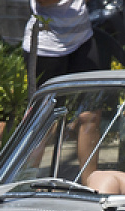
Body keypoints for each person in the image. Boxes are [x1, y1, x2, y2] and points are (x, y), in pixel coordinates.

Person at [24, 0, 101, 175]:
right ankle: (24, 182)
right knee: (42, 117)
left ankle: (90, 183)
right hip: (46, 45)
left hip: (82, 39)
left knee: (90, 115)